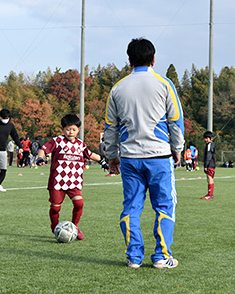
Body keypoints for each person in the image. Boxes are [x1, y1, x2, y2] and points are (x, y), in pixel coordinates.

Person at [104, 38, 185, 269]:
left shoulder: (117, 88)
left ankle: (134, 257)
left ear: (129, 60)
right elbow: (176, 122)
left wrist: (111, 156)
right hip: (159, 156)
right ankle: (161, 256)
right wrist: (177, 150)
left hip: (130, 158)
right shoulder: (164, 84)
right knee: (164, 206)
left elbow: (110, 128)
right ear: (154, 59)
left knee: (131, 206)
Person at [36, 114, 108, 240]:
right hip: (57, 181)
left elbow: (90, 154)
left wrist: (103, 162)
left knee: (79, 203)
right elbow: (43, 149)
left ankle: (74, 227)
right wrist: (40, 158)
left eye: (73, 129)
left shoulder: (81, 144)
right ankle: (55, 228)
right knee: (55, 207)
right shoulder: (57, 141)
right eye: (68, 129)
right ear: (63, 129)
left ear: (78, 130)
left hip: (74, 182)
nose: (70, 132)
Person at [201, 131, 216, 199]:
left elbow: (208, 156)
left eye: (207, 138)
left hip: (210, 164)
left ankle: (210, 195)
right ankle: (210, 194)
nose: (206, 140)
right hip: (212, 164)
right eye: (205, 138)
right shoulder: (210, 145)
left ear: (211, 138)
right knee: (209, 178)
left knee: (209, 178)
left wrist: (206, 166)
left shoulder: (209, 145)